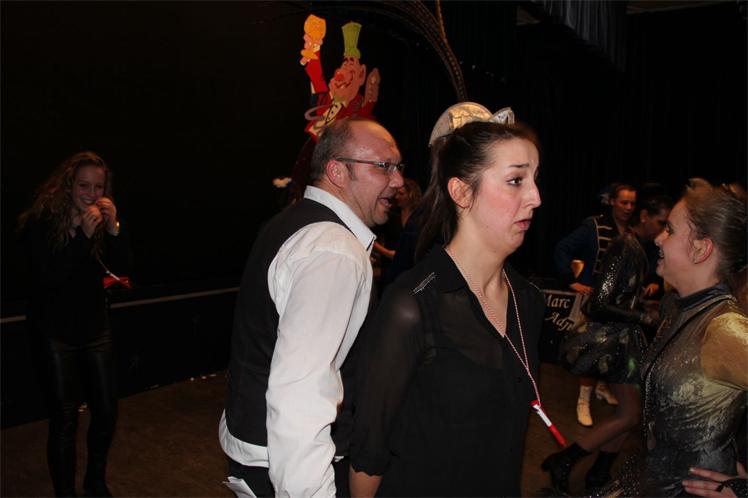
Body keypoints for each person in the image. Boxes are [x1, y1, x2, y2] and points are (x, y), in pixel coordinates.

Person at [349, 118, 545, 497]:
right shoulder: (412, 304)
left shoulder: (527, 301)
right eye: (516, 180)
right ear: (461, 192)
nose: (535, 197)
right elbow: (369, 453)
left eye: (535, 180)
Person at [219, 118, 404, 497]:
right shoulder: (333, 249)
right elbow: (301, 396)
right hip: (287, 466)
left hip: (257, 451)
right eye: (384, 166)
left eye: (398, 167)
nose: (398, 181)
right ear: (337, 171)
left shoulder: (292, 222)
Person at [603, 178, 747, 497]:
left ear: (700, 248)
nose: (658, 238)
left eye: (669, 230)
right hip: (654, 479)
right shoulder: (678, 307)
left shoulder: (725, 328)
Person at [18, 151, 132, 497]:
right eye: (84, 185)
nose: (91, 194)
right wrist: (82, 236)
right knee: (65, 420)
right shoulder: (42, 222)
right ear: (68, 185)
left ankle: (95, 482)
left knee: (106, 413)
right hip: (54, 333)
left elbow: (123, 274)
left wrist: (113, 230)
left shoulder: (101, 223)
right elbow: (49, 279)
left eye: (99, 187)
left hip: (95, 328)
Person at [543, 193, 672, 493]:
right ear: (644, 217)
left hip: (624, 343)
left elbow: (617, 298)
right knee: (630, 414)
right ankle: (565, 460)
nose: (664, 231)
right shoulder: (625, 246)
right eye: (661, 222)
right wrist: (643, 316)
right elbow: (598, 303)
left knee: (628, 414)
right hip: (615, 343)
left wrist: (642, 307)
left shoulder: (635, 247)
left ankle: (598, 472)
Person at [553, 183, 638, 426]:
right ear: (612, 202)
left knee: (611, 349)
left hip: (618, 304)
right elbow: (562, 249)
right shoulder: (594, 225)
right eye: (623, 202)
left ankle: (601, 388)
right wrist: (571, 281)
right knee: (591, 351)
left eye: (632, 203)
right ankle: (583, 400)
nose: (628, 207)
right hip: (595, 301)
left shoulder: (631, 231)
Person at [372, 178, 421, 289]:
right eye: (396, 193)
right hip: (390, 268)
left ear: (411, 195)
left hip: (411, 268)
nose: (397, 197)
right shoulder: (389, 215)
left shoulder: (420, 217)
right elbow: (371, 239)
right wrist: (387, 253)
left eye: (401, 194)